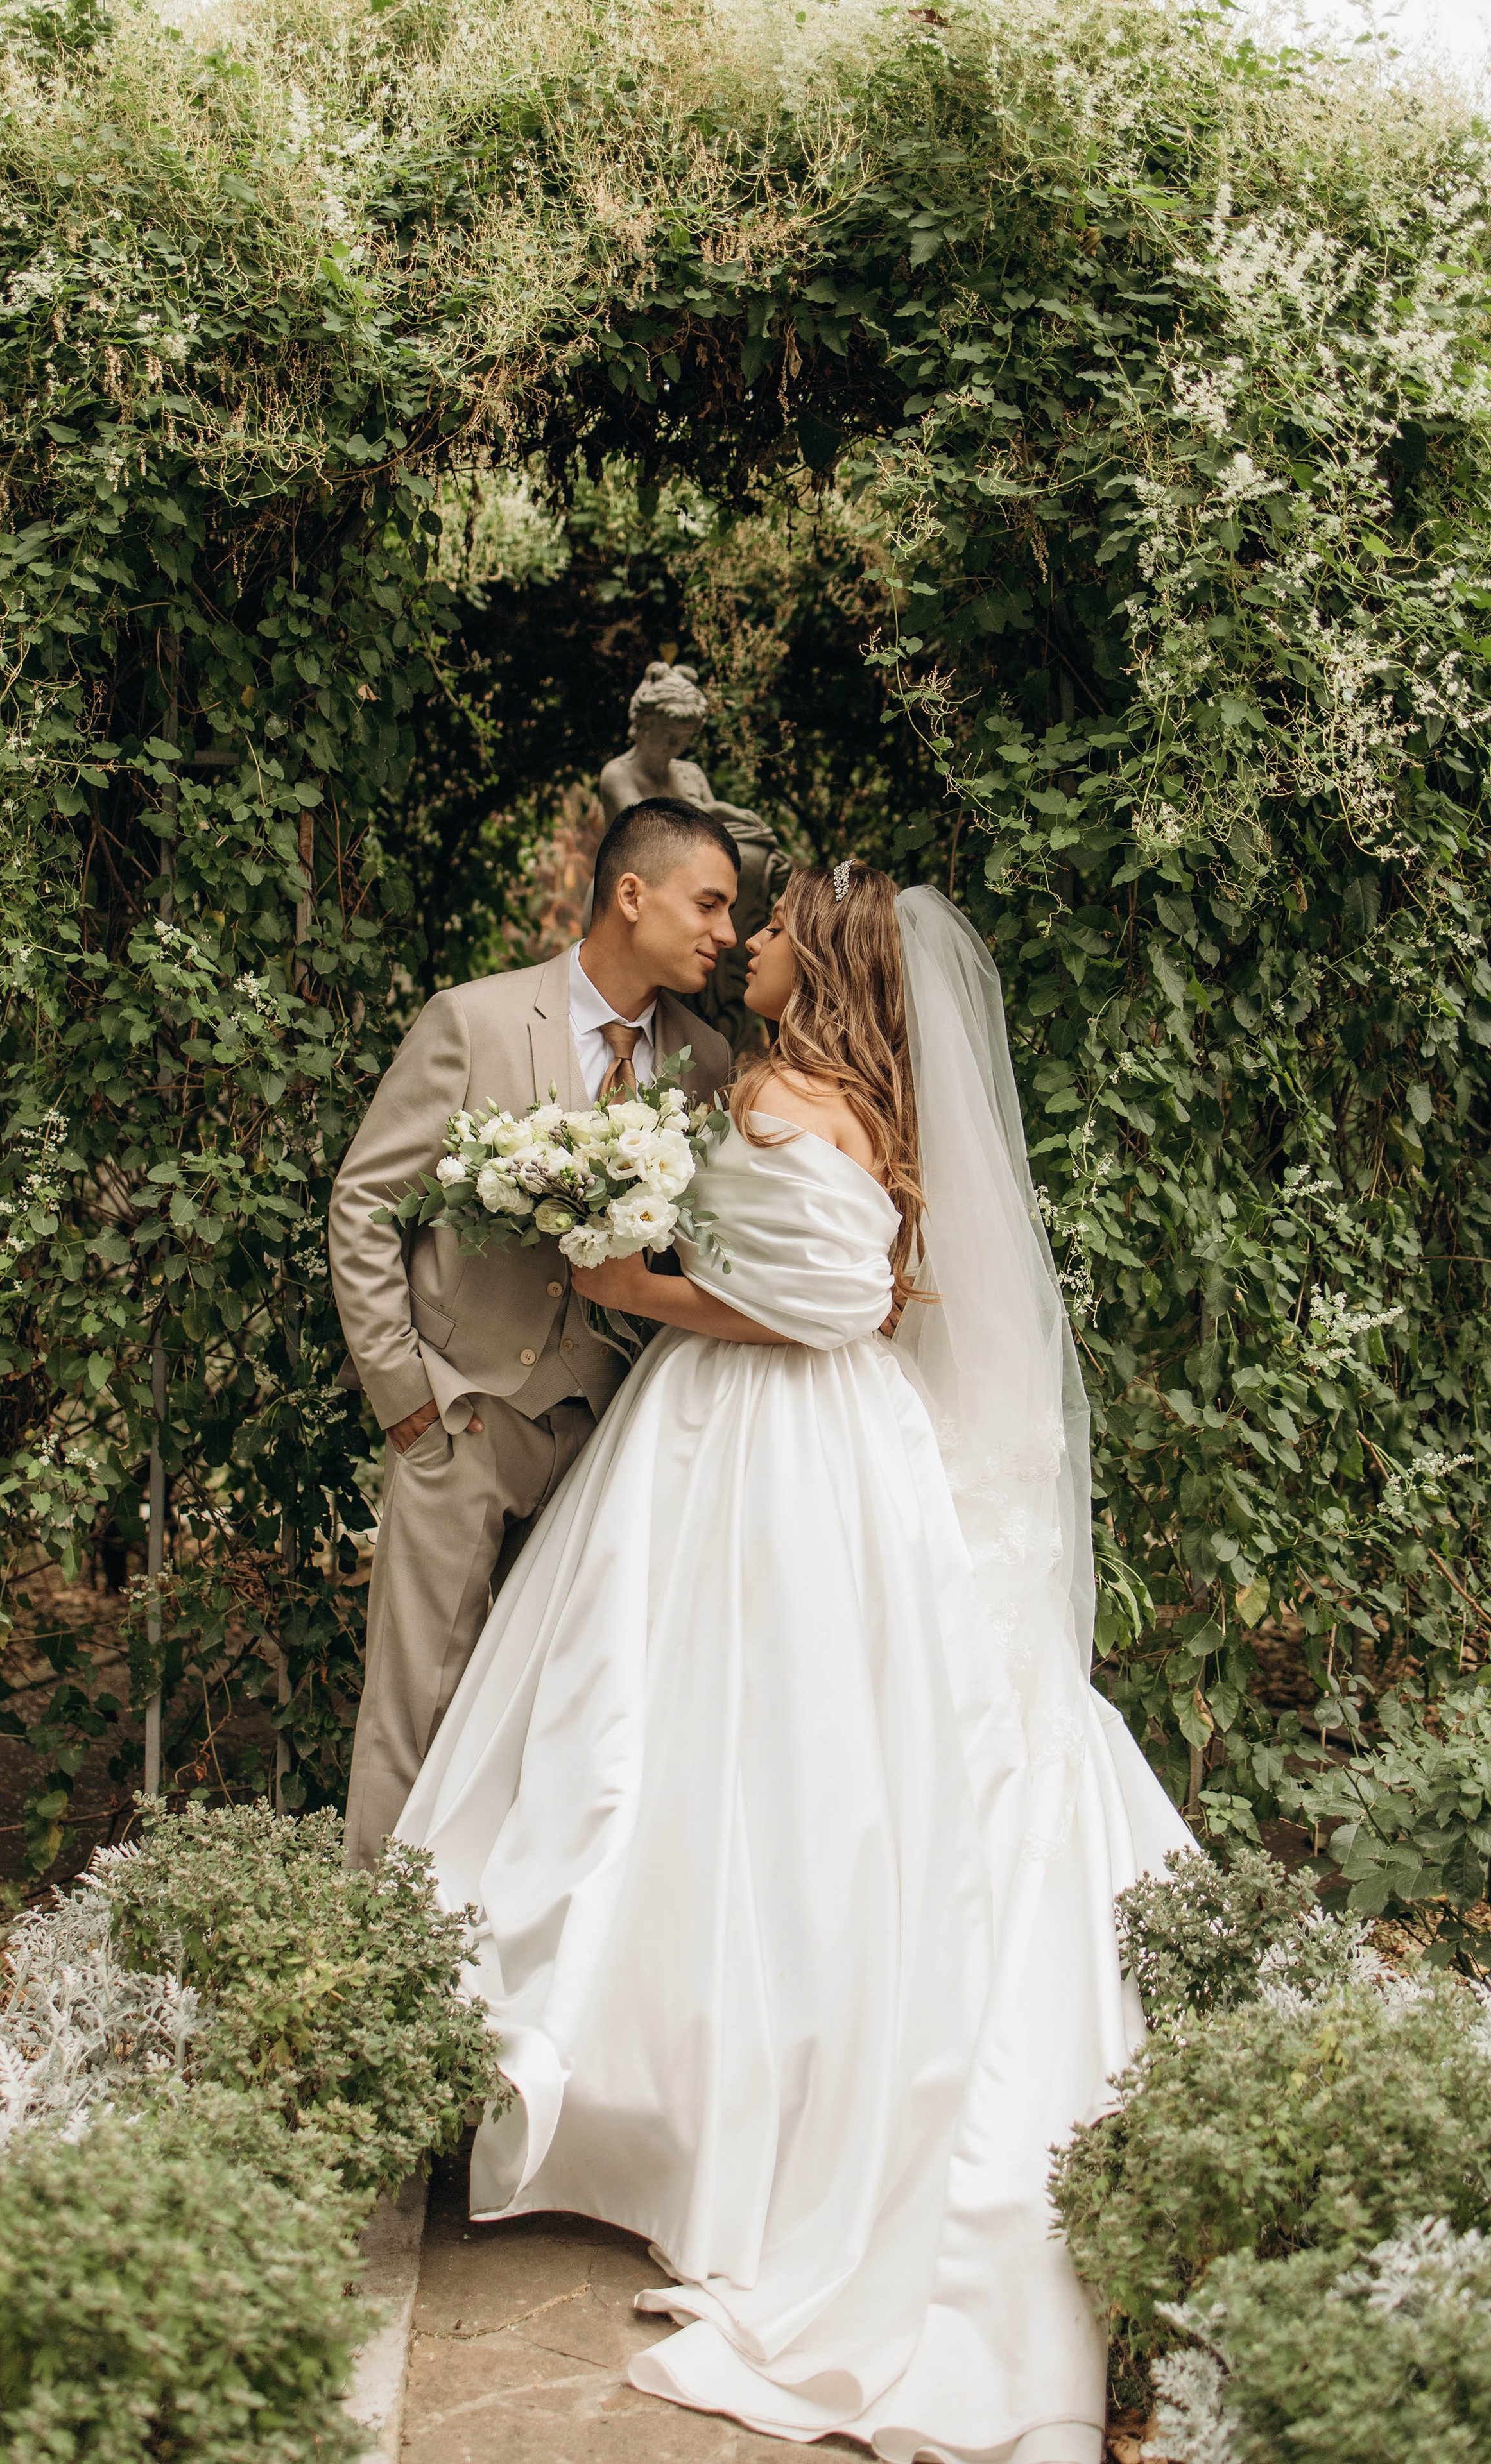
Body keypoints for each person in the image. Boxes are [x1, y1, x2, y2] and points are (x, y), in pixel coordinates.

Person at [396, 860, 1194, 2460]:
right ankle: (709, 2107)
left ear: (813, 963)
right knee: (751, 1755)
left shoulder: (774, 1094)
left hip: (765, 1445)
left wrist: (641, 1287)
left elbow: (828, 1303)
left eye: (768, 931)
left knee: (708, 1748)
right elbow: (855, 1285)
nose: (744, 942)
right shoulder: (844, 1095)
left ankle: (695, 2121)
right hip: (810, 1448)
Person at [328, 799, 734, 1866]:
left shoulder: (707, 1061)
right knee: (414, 1702)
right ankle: (375, 1949)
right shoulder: (475, 1021)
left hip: (612, 1432)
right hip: (464, 1412)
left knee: (571, 1707)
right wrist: (406, 1392)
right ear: (631, 894)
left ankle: (507, 1950)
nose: (725, 934)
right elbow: (369, 1203)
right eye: (710, 904)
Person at [597, 660, 792, 1049]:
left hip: (676, 875)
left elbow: (711, 818)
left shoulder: (689, 774)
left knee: (758, 852)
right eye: (669, 737)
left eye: (683, 739)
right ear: (645, 726)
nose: (676, 748)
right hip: (637, 878)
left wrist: (746, 821)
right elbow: (646, 838)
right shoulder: (618, 775)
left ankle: (715, 999)